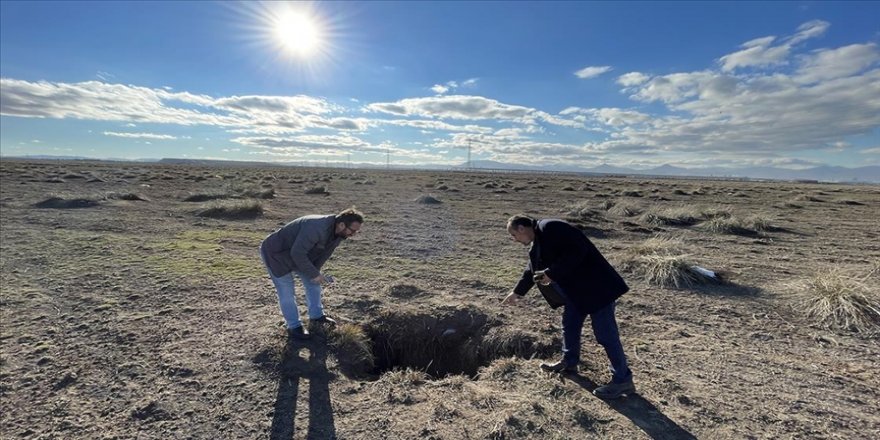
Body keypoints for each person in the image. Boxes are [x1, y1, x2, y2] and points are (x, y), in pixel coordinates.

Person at [502, 214, 635, 399]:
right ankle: (569, 362)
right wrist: (517, 292)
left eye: (514, 236)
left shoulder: (551, 227)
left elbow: (578, 250)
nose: (514, 240)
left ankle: (622, 380)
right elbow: (531, 270)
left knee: (606, 335)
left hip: (597, 288)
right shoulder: (538, 241)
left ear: (521, 229)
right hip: (577, 293)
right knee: (569, 326)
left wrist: (552, 273)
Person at [260, 207, 363, 340]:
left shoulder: (339, 234)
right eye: (353, 230)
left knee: (314, 283)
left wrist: (315, 273)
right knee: (286, 291)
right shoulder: (316, 227)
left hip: (299, 255)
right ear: (342, 224)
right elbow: (297, 253)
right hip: (276, 254)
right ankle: (294, 327)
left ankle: (317, 316)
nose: (353, 234)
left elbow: (324, 254)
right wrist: (314, 274)